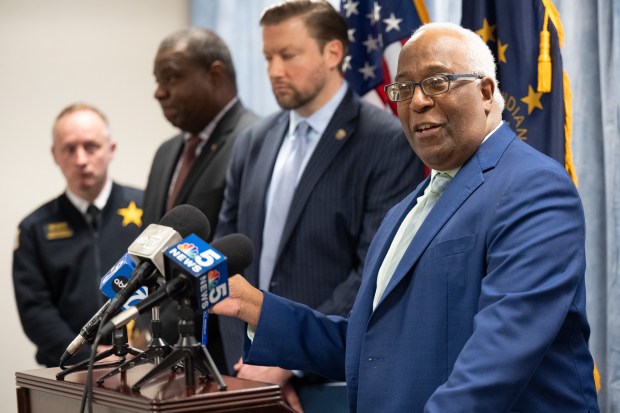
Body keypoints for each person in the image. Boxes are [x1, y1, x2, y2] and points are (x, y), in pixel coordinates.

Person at [211, 22, 600, 412]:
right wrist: (256, 307)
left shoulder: (533, 188)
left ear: (485, 92)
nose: (416, 103)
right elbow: (370, 346)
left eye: (436, 83)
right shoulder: (406, 210)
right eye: (403, 89)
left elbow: (497, 361)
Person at [214, 0, 424, 409]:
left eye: (288, 55)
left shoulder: (387, 140)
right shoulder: (252, 142)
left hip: (324, 383)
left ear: (333, 53)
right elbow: (225, 253)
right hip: (242, 375)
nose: (274, 70)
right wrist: (247, 364)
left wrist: (287, 358)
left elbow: (374, 271)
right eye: (268, 57)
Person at [135, 28, 259, 373]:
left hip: (220, 352)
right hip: (164, 350)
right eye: (157, 80)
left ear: (215, 74)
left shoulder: (253, 140)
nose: (159, 92)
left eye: (171, 77)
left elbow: (246, 251)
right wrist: (148, 325)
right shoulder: (167, 152)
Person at [13, 103, 144, 367]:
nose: (81, 159)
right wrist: (88, 356)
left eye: (91, 147)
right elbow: (36, 310)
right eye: (70, 149)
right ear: (55, 155)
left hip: (143, 363)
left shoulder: (148, 208)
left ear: (111, 149)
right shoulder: (34, 229)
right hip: (68, 372)